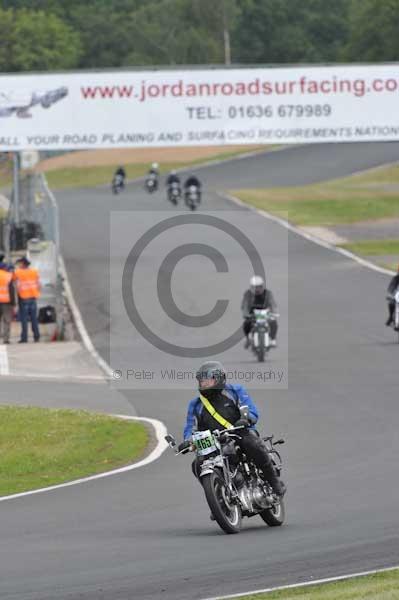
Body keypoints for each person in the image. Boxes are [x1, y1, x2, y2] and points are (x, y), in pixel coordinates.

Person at [178, 361, 286, 498]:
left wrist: (246, 419)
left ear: (219, 378)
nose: (204, 384)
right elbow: (190, 427)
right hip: (214, 441)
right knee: (197, 464)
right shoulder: (195, 404)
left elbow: (250, 409)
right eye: (201, 381)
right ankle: (219, 499)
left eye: (208, 380)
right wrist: (188, 441)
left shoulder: (235, 391)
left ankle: (274, 482)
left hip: (240, 432)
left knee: (251, 443)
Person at [241, 275, 278, 348]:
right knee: (246, 324)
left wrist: (274, 313)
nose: (257, 289)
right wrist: (246, 314)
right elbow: (244, 305)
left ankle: (273, 339)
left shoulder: (268, 293)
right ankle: (248, 338)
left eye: (259, 287)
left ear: (262, 286)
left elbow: (272, 304)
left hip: (265, 312)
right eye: (255, 287)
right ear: (251, 287)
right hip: (252, 314)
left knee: (273, 323)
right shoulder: (247, 294)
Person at [13, 256, 41, 343]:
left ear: (23, 264)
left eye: (20, 263)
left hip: (23, 298)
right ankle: (36, 336)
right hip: (33, 297)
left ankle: (24, 338)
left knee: (24, 319)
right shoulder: (34, 271)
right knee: (34, 318)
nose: (18, 264)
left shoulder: (18, 272)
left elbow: (14, 283)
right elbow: (39, 284)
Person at [0, 257, 16, 344]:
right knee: (7, 321)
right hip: (6, 302)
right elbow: (11, 290)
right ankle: (5, 339)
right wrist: (13, 303)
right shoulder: (8, 275)